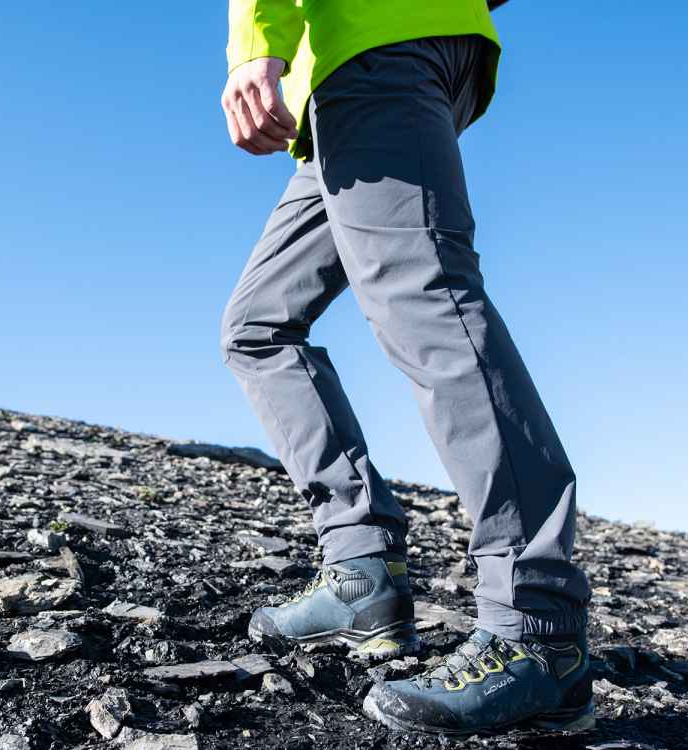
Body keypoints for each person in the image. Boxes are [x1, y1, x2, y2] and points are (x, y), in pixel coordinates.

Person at [218, 1, 594, 735]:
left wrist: (255, 44)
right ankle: (361, 571)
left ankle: (537, 626)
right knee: (257, 326)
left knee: (426, 300)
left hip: (376, 42)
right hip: (347, 74)